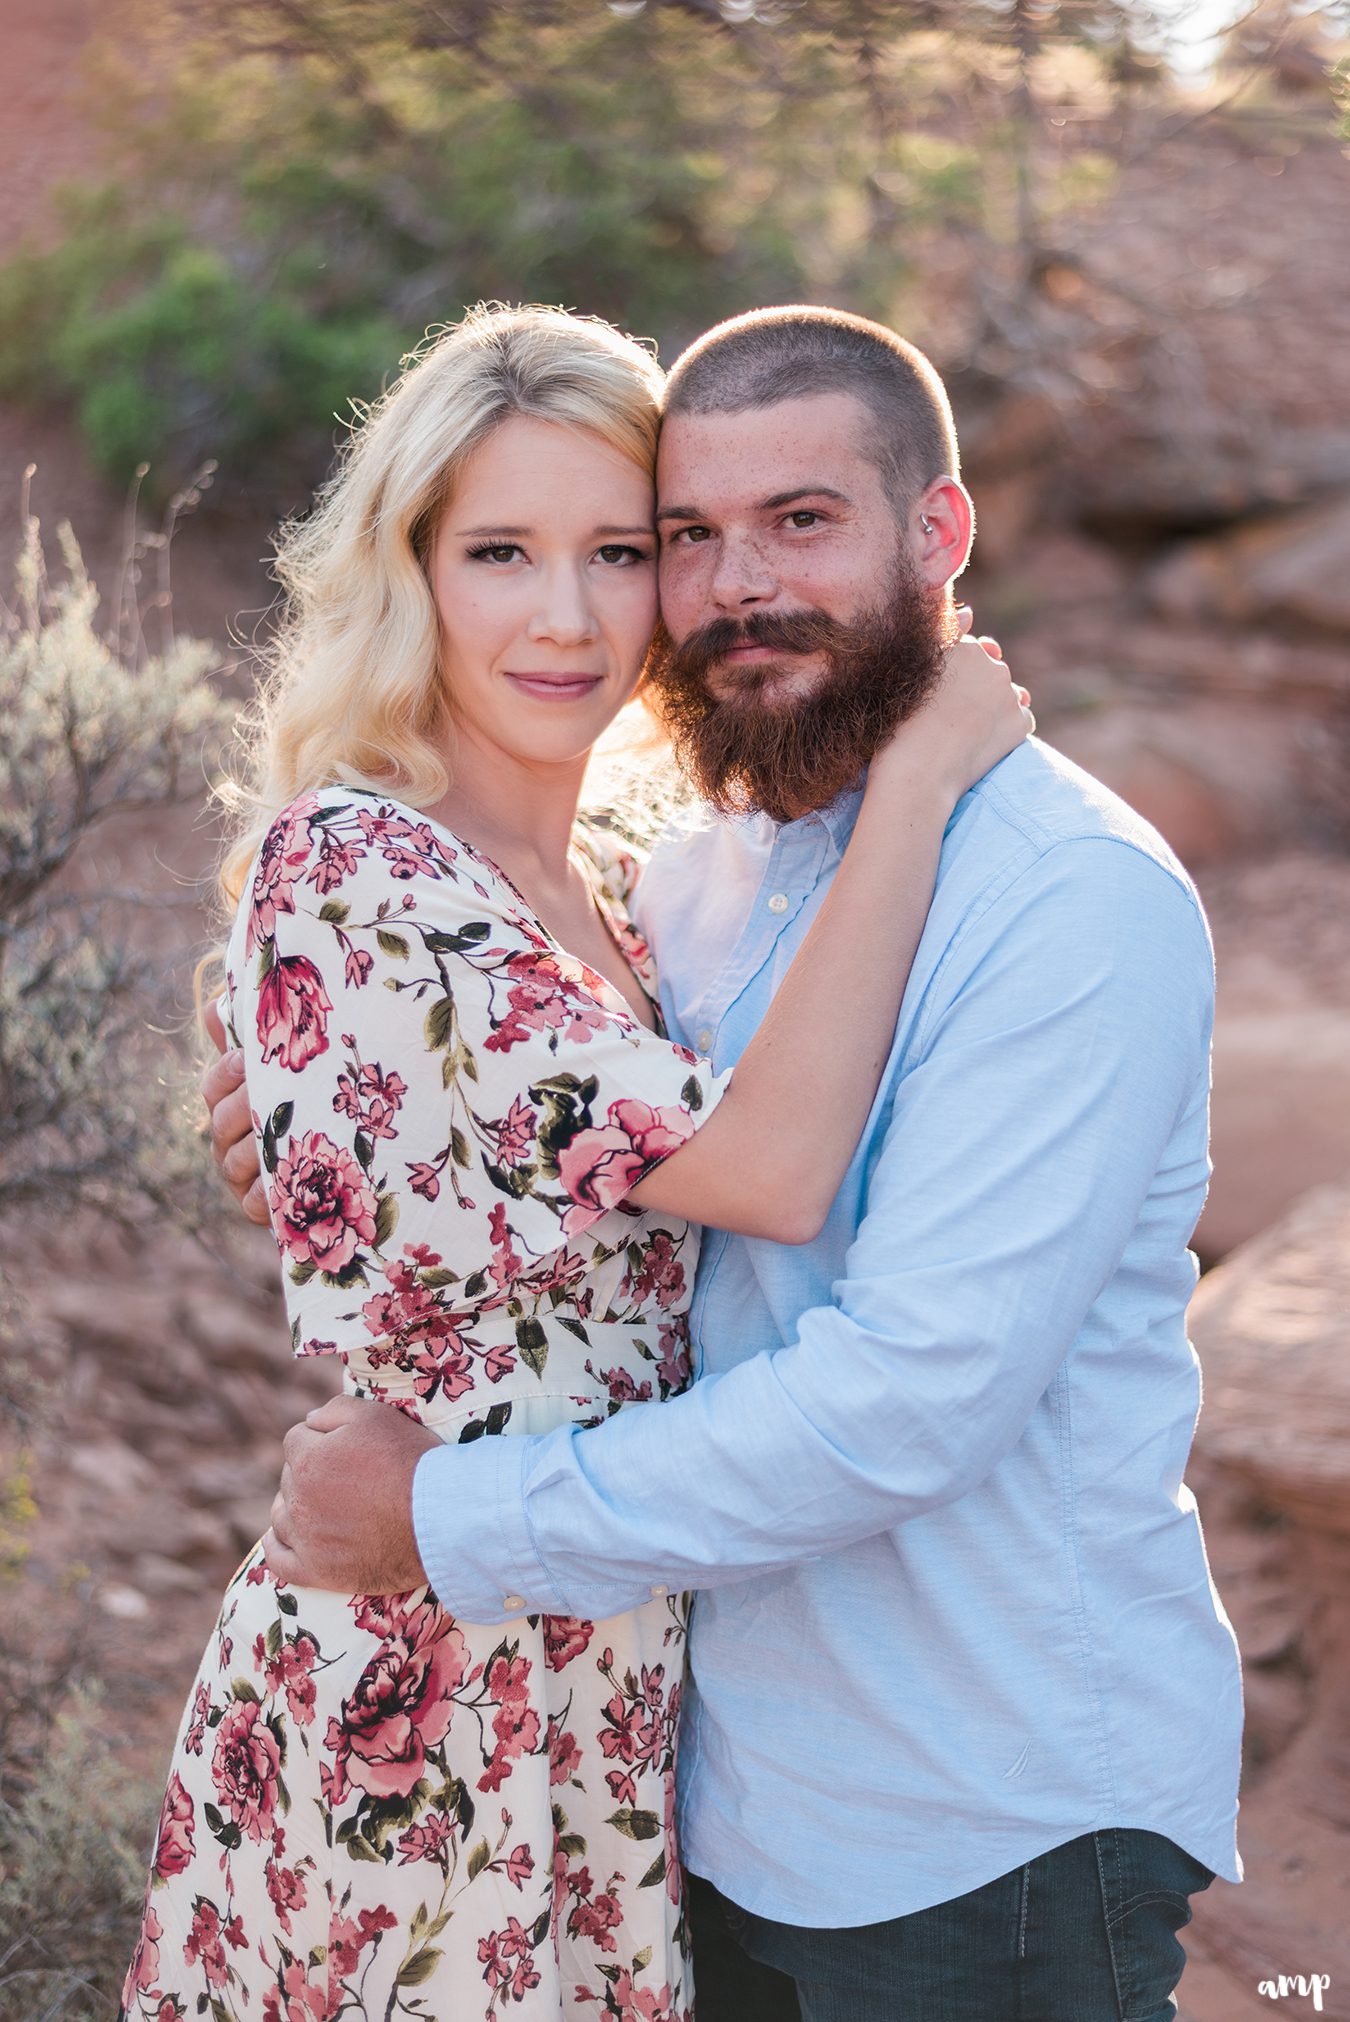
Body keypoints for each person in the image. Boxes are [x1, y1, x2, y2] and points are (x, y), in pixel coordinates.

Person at [208, 305, 1245, 2022]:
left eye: (802, 521)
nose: (730, 583)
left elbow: (905, 1393)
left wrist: (444, 1513)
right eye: (686, 535)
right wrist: (331, 1122)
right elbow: (556, 1160)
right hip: (678, 1783)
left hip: (973, 1821)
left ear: (940, 536)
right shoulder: (686, 876)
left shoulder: (1066, 897)